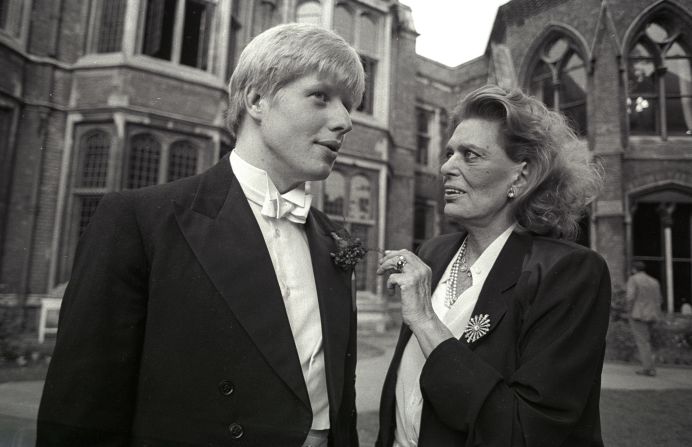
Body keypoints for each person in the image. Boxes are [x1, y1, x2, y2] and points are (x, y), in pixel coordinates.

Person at [37, 23, 364, 447]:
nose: (344, 121)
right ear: (257, 98)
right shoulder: (139, 220)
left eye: (349, 105)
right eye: (321, 96)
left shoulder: (332, 238)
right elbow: (81, 414)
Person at [376, 85, 611, 447]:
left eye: (470, 155)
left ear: (521, 176)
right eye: (449, 152)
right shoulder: (435, 253)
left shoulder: (569, 274)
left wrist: (425, 321)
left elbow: (523, 430)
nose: (445, 167)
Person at [626, 260, 663, 377]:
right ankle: (650, 366)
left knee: (643, 342)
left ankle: (648, 369)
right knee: (648, 341)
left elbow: (630, 297)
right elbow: (659, 299)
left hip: (638, 314)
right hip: (652, 314)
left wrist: (628, 311)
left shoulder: (634, 279)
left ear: (633, 269)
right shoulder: (654, 281)